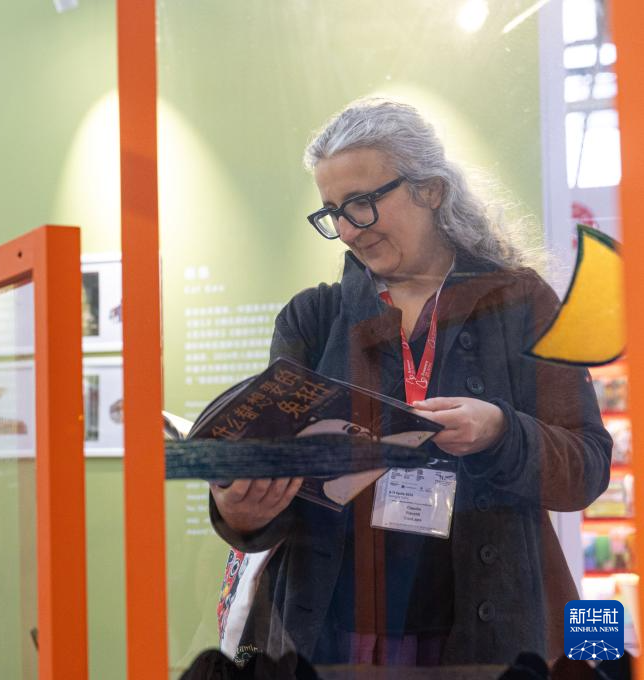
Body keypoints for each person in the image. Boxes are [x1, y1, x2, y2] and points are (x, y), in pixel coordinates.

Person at [209, 99, 612, 667]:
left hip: (486, 639)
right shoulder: (312, 319)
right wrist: (244, 513)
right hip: (332, 639)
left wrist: (501, 432)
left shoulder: (521, 304)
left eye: (362, 203)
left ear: (432, 190)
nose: (346, 230)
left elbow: (587, 467)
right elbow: (281, 483)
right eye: (332, 212)